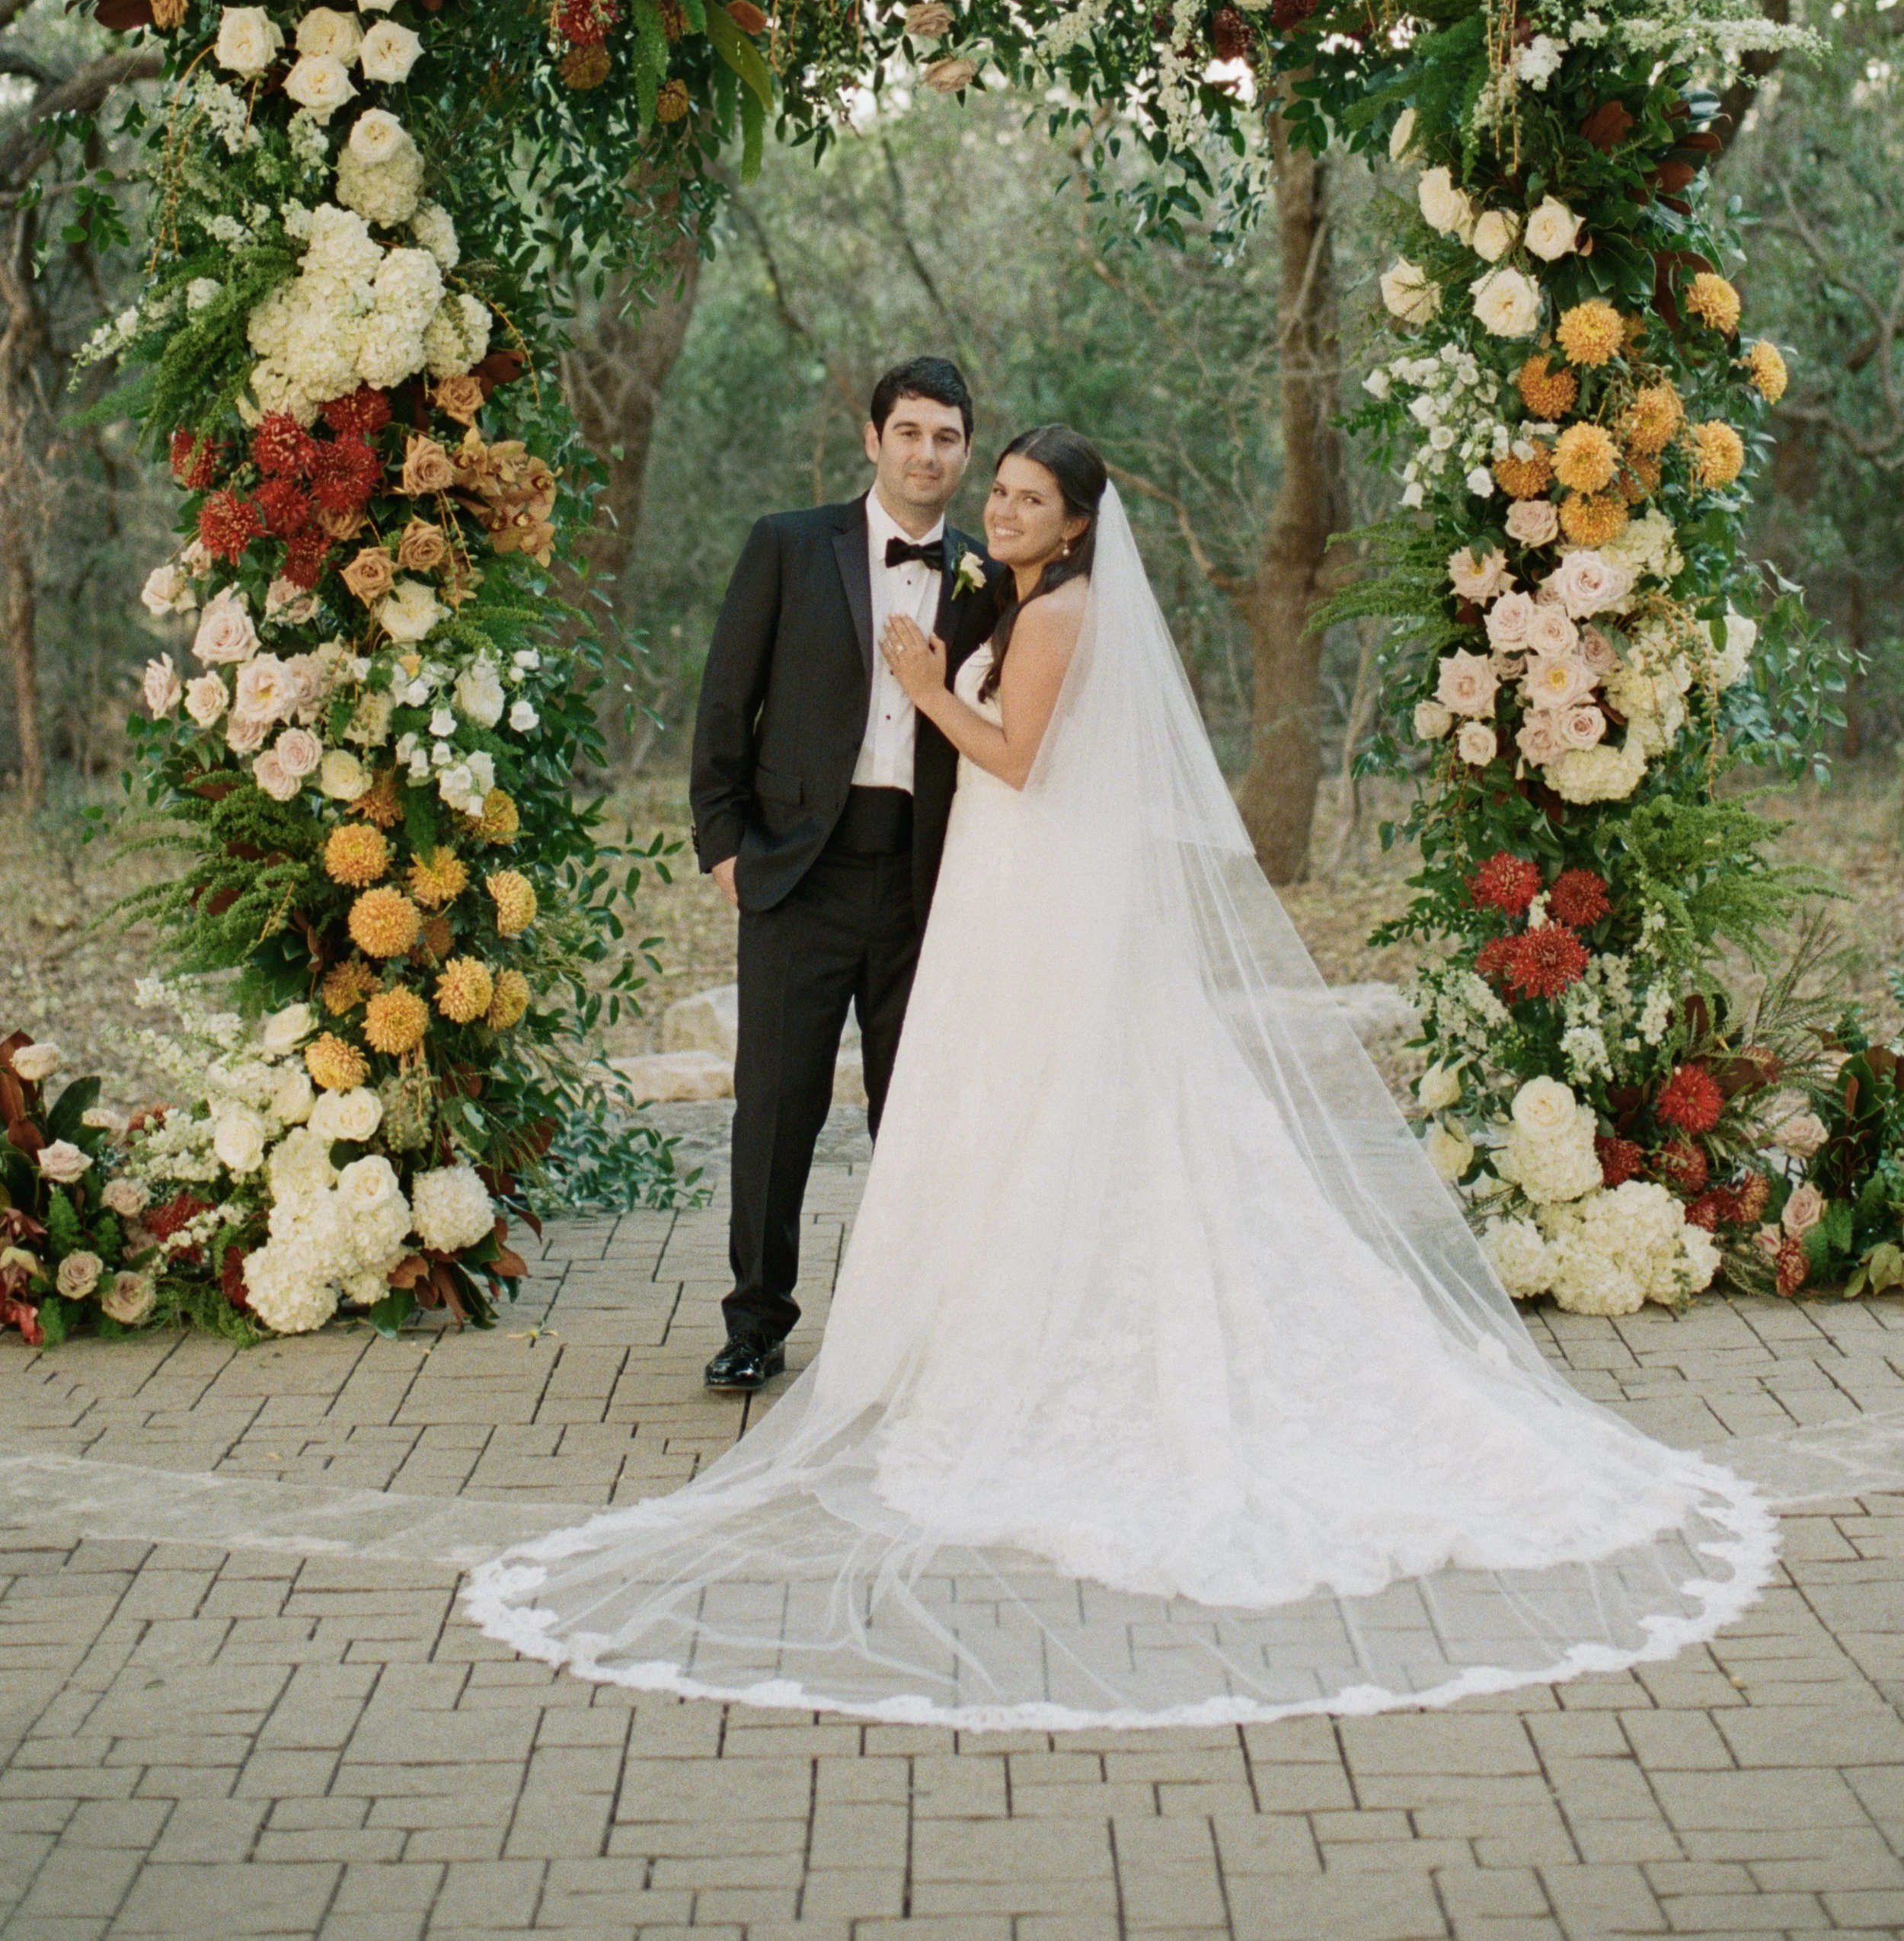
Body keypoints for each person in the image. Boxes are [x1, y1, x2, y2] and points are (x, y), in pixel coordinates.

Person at [468, 431, 1776, 1729]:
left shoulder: (1056, 611)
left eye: (1027, 498)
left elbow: (1021, 756)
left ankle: (1038, 1335)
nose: (1001, 508)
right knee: (994, 1102)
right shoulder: (1005, 589)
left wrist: (924, 684)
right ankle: (913, 1319)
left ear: (1078, 524)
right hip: (990, 879)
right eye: (1000, 491)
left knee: (1050, 1100)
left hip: (1033, 875)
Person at [687, 354, 1003, 1392]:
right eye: (909, 432)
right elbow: (725, 704)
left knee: (915, 1113)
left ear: (965, 452)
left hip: (925, 885)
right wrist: (725, 847)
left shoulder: (984, 580)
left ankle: (912, 1331)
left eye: (947, 437)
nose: (927, 453)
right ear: (874, 442)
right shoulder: (787, 546)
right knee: (777, 1108)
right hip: (796, 875)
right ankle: (756, 1323)